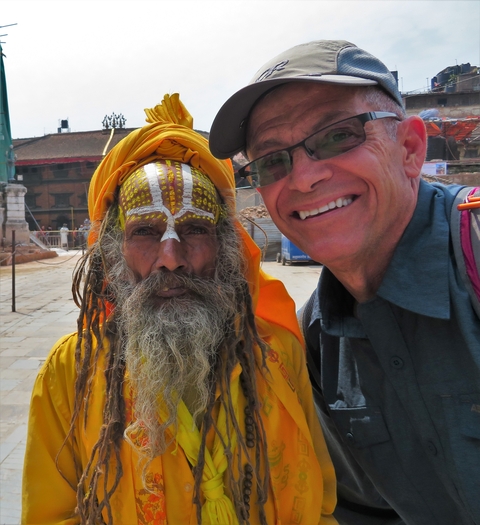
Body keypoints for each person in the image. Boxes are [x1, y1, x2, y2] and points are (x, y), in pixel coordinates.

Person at [22, 94, 337, 525]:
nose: (171, 257)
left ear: (225, 248)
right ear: (113, 252)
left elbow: (319, 507)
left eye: (194, 229)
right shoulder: (68, 372)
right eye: (146, 231)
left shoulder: (277, 352)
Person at [209, 40, 480, 525]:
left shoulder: (474, 250)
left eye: (338, 136)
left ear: (410, 149)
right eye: (272, 161)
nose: (305, 178)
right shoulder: (312, 345)